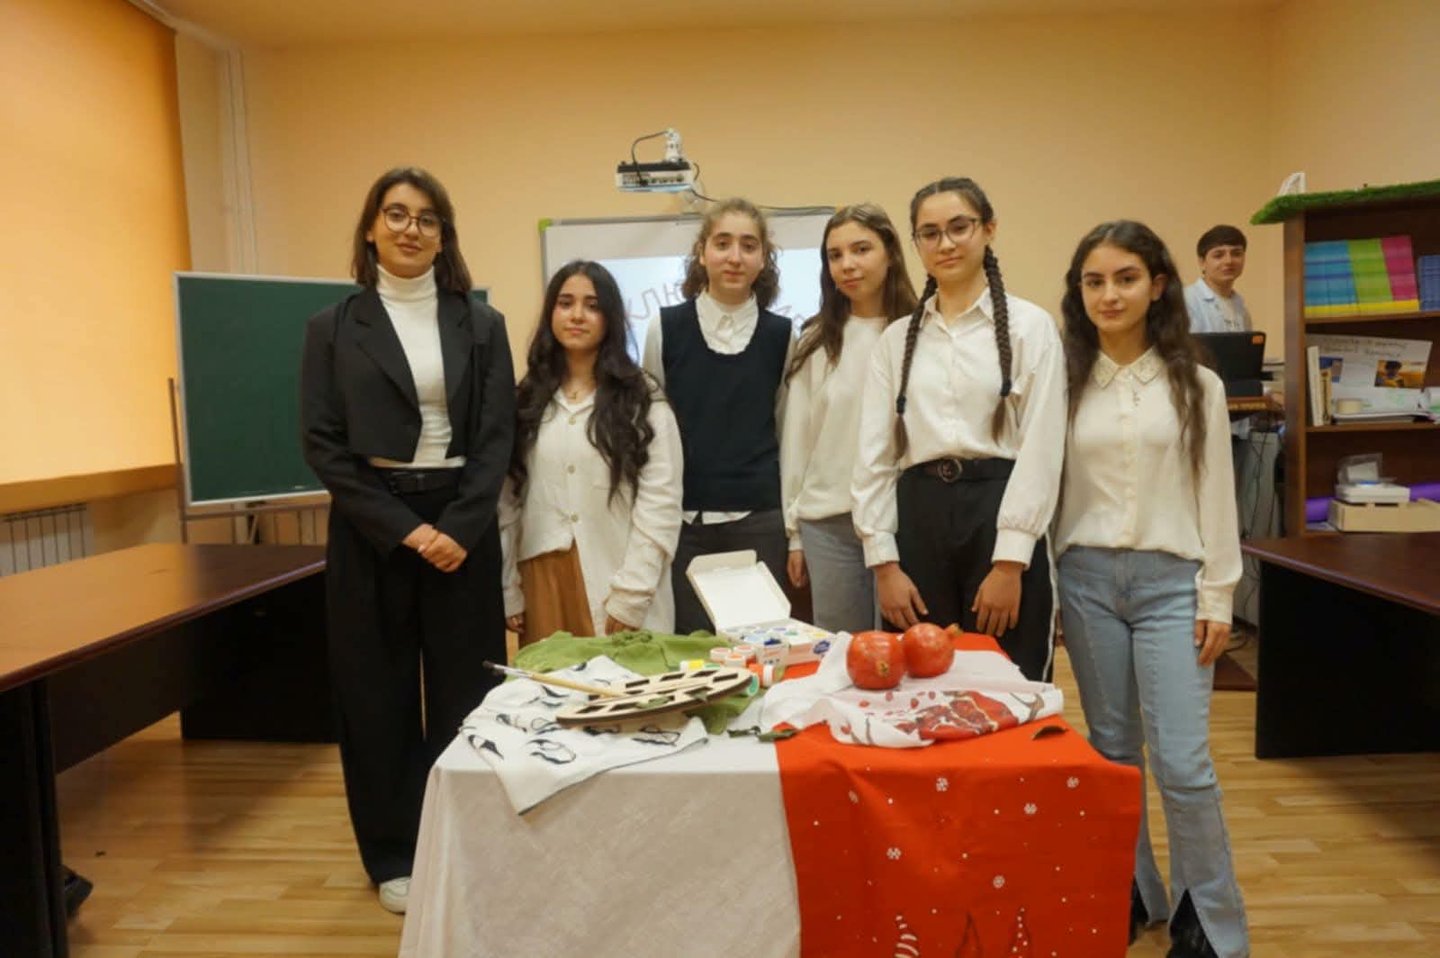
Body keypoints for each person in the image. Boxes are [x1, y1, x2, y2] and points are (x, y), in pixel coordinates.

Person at [299, 166, 514, 914]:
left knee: (468, 695)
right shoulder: (332, 328)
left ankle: (469, 843)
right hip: (374, 527)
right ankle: (394, 854)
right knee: (377, 697)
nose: (410, 229)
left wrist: (456, 528)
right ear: (371, 228)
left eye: (426, 218)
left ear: (443, 235)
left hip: (462, 525)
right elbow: (324, 447)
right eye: (395, 214)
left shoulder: (481, 324)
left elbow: (496, 437)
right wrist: (408, 531)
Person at [1055, 220, 1248, 958]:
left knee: (1184, 764)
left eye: (1126, 278)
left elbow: (1218, 494)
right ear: (1079, 292)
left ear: (1158, 285)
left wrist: (1218, 595)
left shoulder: (1197, 385)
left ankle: (1211, 921)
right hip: (1086, 581)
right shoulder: (1063, 385)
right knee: (1111, 751)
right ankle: (1133, 889)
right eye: (1094, 281)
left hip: (1174, 586)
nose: (1109, 294)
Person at [852, 177, 1065, 681]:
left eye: (959, 227)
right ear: (916, 244)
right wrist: (884, 564)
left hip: (1000, 513)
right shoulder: (896, 341)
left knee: (1011, 679)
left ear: (988, 230)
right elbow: (874, 458)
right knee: (918, 684)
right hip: (918, 520)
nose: (945, 243)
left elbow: (1042, 449)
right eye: (930, 233)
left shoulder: (1030, 327)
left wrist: (1010, 562)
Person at [500, 261, 683, 642]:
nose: (577, 315)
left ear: (610, 317)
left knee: (624, 678)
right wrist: (508, 585)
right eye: (565, 303)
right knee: (549, 679)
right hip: (542, 578)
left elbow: (661, 502)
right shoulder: (527, 399)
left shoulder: (642, 399)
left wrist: (633, 592)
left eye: (592, 305)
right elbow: (508, 500)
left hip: (618, 577)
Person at [641, 198, 794, 634]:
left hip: (759, 520)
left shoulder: (782, 335)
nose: (734, 256)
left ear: (763, 259)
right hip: (683, 523)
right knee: (690, 652)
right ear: (702, 252)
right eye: (722, 243)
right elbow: (653, 429)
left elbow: (785, 428)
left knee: (759, 646)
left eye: (749, 245)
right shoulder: (664, 328)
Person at [780, 204, 917, 632]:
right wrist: (795, 534)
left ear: (890, 253)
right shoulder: (816, 340)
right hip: (829, 525)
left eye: (861, 249)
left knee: (905, 650)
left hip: (904, 518)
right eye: (835, 255)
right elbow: (798, 442)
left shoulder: (920, 332)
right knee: (844, 653)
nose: (847, 265)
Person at [1184, 225, 1251, 333]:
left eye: (1236, 254)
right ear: (1202, 262)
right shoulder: (1186, 301)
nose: (1229, 261)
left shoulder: (1241, 308)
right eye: (1218, 255)